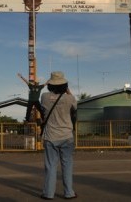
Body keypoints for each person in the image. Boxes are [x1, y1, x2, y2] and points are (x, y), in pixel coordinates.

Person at [40, 71, 77, 200]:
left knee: (51, 166)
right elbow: (75, 106)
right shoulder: (70, 98)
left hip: (51, 136)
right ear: (65, 85)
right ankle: (69, 193)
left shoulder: (44, 97)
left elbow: (44, 109)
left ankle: (48, 194)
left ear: (50, 84)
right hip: (67, 136)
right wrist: (67, 90)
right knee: (67, 165)